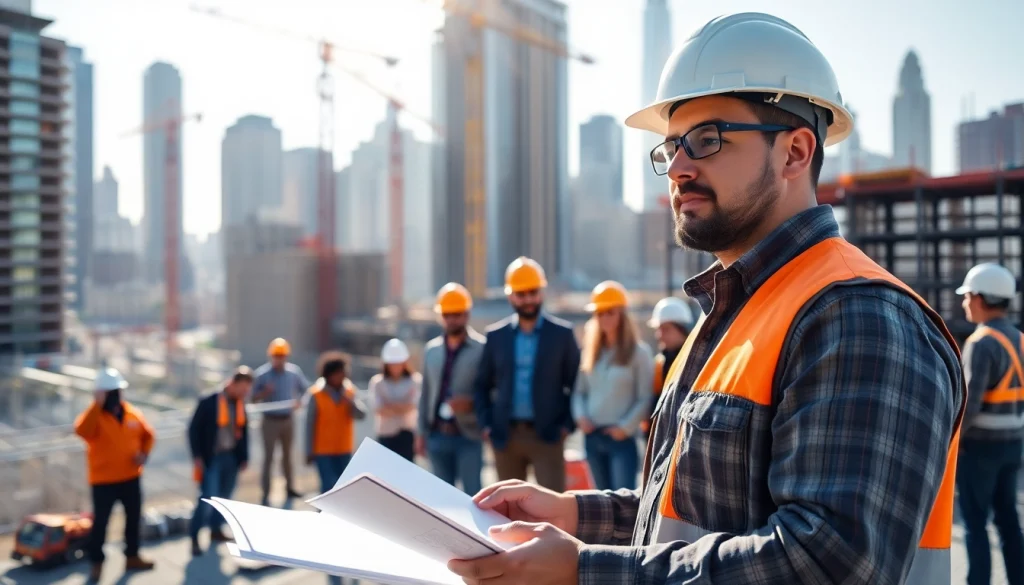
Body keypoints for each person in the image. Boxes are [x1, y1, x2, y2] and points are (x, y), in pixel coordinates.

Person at [447, 12, 965, 585]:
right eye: (671, 148)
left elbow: (827, 564)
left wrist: (582, 571)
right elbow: (696, 516)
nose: (678, 169)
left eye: (707, 140)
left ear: (795, 152)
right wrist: (575, 514)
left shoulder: (860, 318)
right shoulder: (735, 311)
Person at [474, 256, 581, 492]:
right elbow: (481, 385)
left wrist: (566, 425)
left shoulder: (562, 335)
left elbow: (576, 383)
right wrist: (487, 426)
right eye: (521, 294)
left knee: (553, 510)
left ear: (541, 292)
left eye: (532, 292)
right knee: (507, 512)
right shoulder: (495, 336)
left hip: (548, 436)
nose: (528, 300)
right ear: (511, 296)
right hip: (505, 438)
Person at [955, 262, 1024, 585]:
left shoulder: (981, 343)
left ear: (981, 298)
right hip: (1013, 444)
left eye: (967, 296)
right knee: (1009, 521)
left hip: (980, 447)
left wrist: (952, 441)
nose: (964, 302)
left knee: (975, 523)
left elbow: (969, 404)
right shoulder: (1019, 339)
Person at [73, 367, 156, 582]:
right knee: (101, 524)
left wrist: (144, 454)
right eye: (110, 392)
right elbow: (82, 431)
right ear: (101, 394)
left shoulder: (132, 413)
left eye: (117, 391)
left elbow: (148, 435)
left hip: (131, 477)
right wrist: (96, 404)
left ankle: (132, 556)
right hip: (103, 482)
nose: (115, 396)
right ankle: (97, 563)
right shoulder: (94, 417)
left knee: (133, 519)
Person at [571, 281, 653, 490]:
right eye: (599, 313)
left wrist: (625, 428)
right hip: (592, 438)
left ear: (622, 315)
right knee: (600, 503)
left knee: (622, 505)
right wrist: (581, 417)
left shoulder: (639, 354)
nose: (604, 318)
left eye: (610, 312)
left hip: (621, 441)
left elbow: (645, 397)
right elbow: (579, 392)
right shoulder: (590, 352)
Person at [419, 282, 487, 494]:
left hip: (468, 434)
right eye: (447, 315)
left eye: (456, 314)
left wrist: (471, 403)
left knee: (473, 497)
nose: (451, 319)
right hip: (437, 436)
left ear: (466, 314)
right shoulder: (431, 351)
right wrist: (421, 434)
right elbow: (426, 394)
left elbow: (491, 391)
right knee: (441, 501)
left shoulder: (482, 349)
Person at [187, 366, 254, 557]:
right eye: (242, 388)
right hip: (212, 458)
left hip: (231, 457)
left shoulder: (240, 404)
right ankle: (194, 536)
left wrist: (244, 457)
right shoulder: (209, 401)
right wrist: (197, 457)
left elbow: (244, 433)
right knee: (207, 497)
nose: (244, 393)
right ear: (233, 383)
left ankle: (216, 530)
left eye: (247, 390)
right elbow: (193, 430)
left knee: (225, 497)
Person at [251, 337, 311, 505]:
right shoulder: (262, 375)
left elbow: (306, 391)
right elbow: (252, 398)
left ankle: (290, 488)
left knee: (287, 457)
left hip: (288, 419)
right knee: (268, 458)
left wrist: (300, 402)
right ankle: (266, 493)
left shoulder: (294, 372)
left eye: (282, 355)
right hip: (269, 421)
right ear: (271, 356)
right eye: (276, 355)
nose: (279, 359)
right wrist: (264, 392)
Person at [305, 351, 368, 493]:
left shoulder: (349, 392)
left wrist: (350, 402)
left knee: (343, 488)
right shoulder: (316, 394)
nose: (341, 376)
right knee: (327, 488)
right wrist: (309, 451)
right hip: (323, 450)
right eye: (337, 373)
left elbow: (362, 415)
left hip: (343, 449)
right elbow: (309, 425)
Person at [640, 296, 693, 438]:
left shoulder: (696, 363)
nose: (659, 335)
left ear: (682, 330)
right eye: (658, 329)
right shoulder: (660, 363)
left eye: (666, 329)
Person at [369, 338, 421, 461]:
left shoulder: (415, 381)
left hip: (408, 436)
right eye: (392, 363)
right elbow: (379, 409)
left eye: (398, 362)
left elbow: (413, 405)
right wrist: (402, 407)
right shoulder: (377, 383)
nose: (395, 367)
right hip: (385, 436)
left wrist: (390, 407)